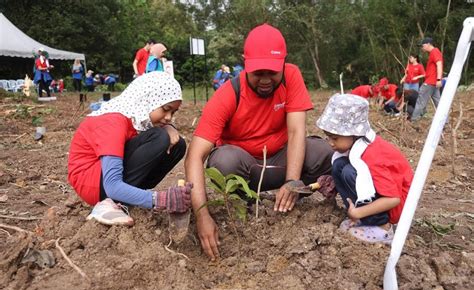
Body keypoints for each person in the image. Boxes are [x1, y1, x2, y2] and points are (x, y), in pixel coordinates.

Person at [185, 24, 334, 260]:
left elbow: (296, 132)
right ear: (245, 65)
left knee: (324, 152)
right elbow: (195, 155)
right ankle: (243, 201)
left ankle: (289, 197)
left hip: (281, 161)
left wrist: (293, 181)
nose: (265, 80)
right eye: (258, 73)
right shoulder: (228, 94)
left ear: (284, 64)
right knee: (223, 161)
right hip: (246, 171)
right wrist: (202, 216)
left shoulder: (291, 76)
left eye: (272, 73)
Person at [68, 72, 192, 225]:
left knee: (177, 145)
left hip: (105, 178)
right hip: (93, 183)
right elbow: (112, 185)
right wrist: (161, 199)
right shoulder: (113, 121)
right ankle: (107, 204)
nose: (168, 117)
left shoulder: (136, 118)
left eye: (173, 112)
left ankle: (128, 197)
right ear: (147, 100)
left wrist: (169, 127)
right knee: (160, 138)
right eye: (165, 109)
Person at [316, 94, 413, 244]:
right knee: (339, 166)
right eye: (328, 137)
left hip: (398, 205)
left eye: (335, 138)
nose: (330, 143)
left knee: (348, 171)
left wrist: (359, 211)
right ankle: (364, 219)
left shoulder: (373, 155)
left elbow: (393, 199)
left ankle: (382, 227)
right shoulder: (356, 148)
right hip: (383, 197)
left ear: (354, 134)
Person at [411, 37, 443, 121]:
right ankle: (444, 121)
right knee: (438, 103)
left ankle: (413, 119)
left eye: (423, 45)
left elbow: (439, 64)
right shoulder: (433, 52)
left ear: (428, 44)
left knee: (420, 100)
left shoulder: (434, 51)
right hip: (433, 83)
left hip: (430, 82)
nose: (422, 48)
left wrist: (439, 79)